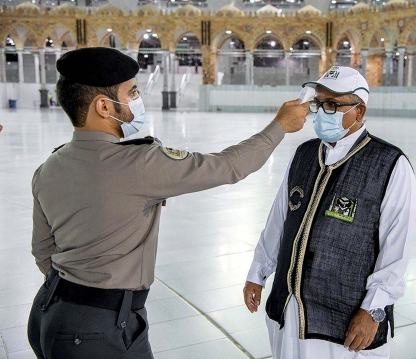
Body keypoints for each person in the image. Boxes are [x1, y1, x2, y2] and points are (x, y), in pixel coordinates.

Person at [27, 47, 309, 359]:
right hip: (99, 332)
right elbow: (229, 166)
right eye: (132, 92)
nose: (137, 98)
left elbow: (43, 251)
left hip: (48, 315)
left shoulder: (48, 168)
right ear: (104, 106)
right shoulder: (138, 164)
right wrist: (281, 124)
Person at [243, 66, 416, 359]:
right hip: (289, 309)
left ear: (359, 111)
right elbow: (279, 221)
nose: (322, 112)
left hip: (344, 321)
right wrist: (258, 272)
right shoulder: (305, 154)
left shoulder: (388, 164)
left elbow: (396, 247)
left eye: (333, 105)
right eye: (319, 103)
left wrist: (373, 309)